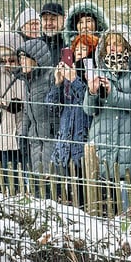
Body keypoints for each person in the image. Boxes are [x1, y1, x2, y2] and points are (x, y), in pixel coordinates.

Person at [83, 28, 131, 215]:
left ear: (127, 46)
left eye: (118, 43)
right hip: (103, 142)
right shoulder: (98, 71)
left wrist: (115, 96)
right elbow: (89, 109)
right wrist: (92, 93)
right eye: (109, 43)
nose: (113, 47)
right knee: (105, 205)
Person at [48, 34, 98, 204]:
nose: (78, 53)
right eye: (76, 49)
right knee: (66, 195)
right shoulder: (69, 76)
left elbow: (89, 102)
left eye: (84, 49)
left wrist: (74, 79)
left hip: (83, 140)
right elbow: (52, 108)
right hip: (65, 141)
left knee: (84, 193)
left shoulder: (92, 73)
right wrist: (58, 83)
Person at [16, 38, 60, 176]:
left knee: (52, 185)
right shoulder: (28, 81)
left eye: (25, 57)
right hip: (34, 140)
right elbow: (26, 111)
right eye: (20, 57)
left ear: (36, 58)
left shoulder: (52, 77)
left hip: (51, 138)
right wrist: (22, 134)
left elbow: (57, 107)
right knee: (38, 184)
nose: (21, 61)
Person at [0, 31, 26, 184]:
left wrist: (19, 103)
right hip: (5, 129)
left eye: (11, 60)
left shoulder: (26, 73)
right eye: (2, 61)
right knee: (7, 172)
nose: (7, 65)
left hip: (23, 128)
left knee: (24, 169)